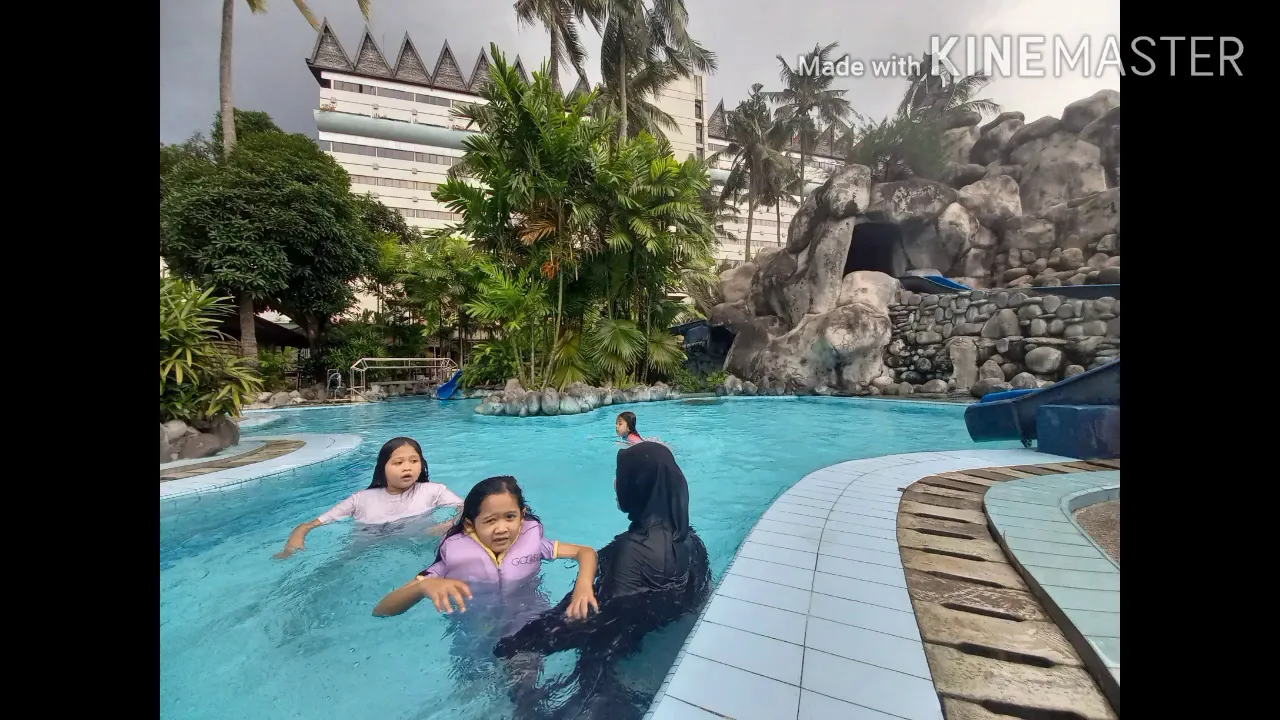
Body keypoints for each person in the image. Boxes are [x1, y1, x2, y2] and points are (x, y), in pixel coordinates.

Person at [493, 442, 712, 719]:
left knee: (512, 651)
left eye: (621, 476)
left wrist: (521, 641)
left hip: (612, 659)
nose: (615, 482)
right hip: (657, 635)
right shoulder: (692, 542)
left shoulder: (631, 550)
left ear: (638, 486)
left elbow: (601, 615)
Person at [371, 475, 599, 618]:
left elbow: (585, 552)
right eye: (490, 521)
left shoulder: (533, 542)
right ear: (471, 524)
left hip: (527, 621)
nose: (502, 528)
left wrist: (583, 587)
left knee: (526, 688)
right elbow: (382, 610)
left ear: (522, 516)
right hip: (474, 632)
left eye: (510, 517)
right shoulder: (450, 560)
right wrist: (423, 588)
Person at [274, 437, 463, 559]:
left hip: (416, 546)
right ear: (382, 468)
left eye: (414, 461)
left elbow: (468, 509)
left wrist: (446, 525)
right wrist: (292, 545)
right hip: (365, 550)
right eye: (398, 462)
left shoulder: (434, 491)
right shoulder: (361, 499)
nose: (407, 467)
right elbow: (309, 525)